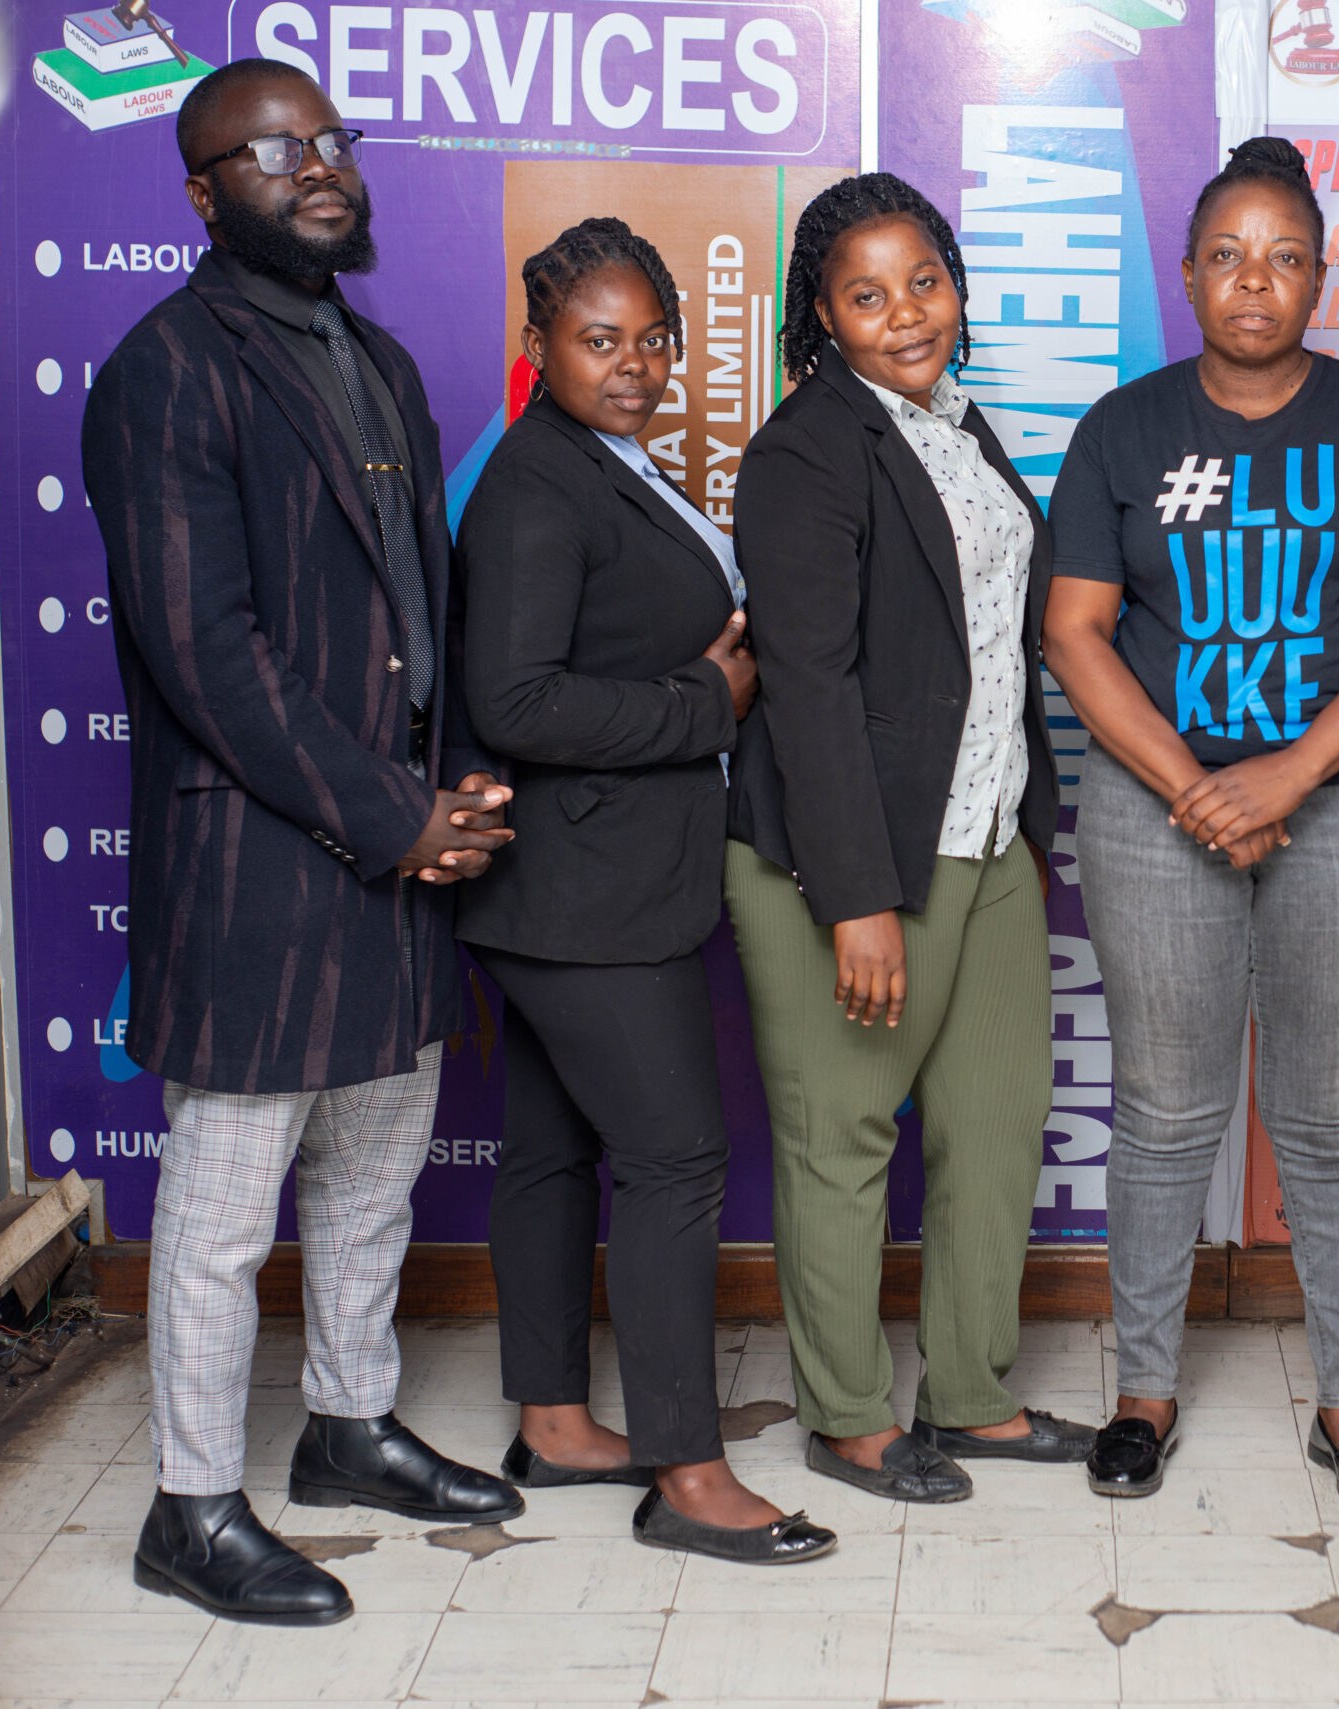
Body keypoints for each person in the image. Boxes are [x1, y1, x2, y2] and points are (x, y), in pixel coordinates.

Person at [83, 58, 524, 1625]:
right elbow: (209, 656)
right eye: (272, 151)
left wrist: (456, 790)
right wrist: (399, 817)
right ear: (202, 195)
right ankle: (193, 1506)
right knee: (221, 1214)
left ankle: (347, 1425)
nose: (316, 165)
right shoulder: (165, 371)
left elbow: (429, 607)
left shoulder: (378, 361)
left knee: (373, 1173)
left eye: (329, 138)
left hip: (400, 855)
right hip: (261, 865)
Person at [1044, 137, 1339, 1507]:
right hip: (1152, 810)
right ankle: (1143, 1392)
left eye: (1284, 257)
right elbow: (1075, 630)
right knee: (1166, 1113)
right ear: (1186, 274)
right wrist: (1194, 788)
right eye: (1227, 255)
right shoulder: (1123, 428)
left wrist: (1286, 777)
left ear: (1318, 280)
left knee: (1330, 1118)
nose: (1253, 280)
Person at [453, 219, 832, 1565]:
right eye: (598, 339)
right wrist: (701, 703)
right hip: (589, 894)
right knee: (675, 1160)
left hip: (579, 882)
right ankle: (687, 1473)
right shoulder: (536, 489)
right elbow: (513, 701)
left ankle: (555, 1423)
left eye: (653, 339)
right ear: (538, 345)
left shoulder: (599, 463)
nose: (633, 364)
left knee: (554, 1147)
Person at [725, 174, 1091, 1505]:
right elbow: (808, 685)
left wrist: (1018, 822)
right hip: (852, 857)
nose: (906, 314)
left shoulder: (956, 426)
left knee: (995, 1127)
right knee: (844, 1135)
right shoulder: (805, 451)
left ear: (956, 282)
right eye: (867, 295)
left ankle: (974, 1395)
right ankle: (846, 1416)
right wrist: (855, 897)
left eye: (924, 281)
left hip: (986, 839)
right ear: (821, 317)